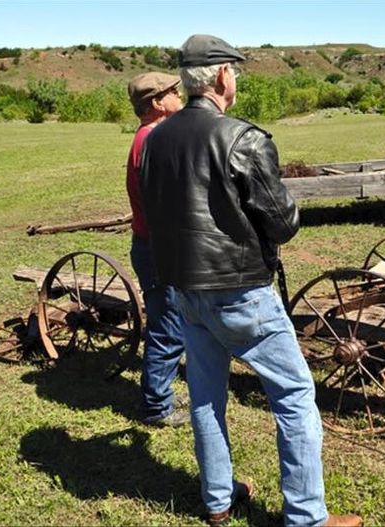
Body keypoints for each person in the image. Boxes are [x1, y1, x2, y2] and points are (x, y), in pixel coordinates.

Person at [139, 34, 362, 527]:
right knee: (296, 396)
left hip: (185, 291)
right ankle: (306, 516)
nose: (235, 79)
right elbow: (282, 223)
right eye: (234, 71)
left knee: (204, 397)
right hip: (240, 291)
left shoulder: (154, 140)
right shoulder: (245, 138)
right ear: (221, 76)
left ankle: (218, 499)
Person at [125, 72, 189, 427]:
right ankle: (156, 407)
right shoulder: (151, 142)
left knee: (171, 321)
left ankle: (160, 394)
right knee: (167, 326)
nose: (178, 96)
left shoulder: (150, 138)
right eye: (172, 92)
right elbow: (163, 206)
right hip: (158, 248)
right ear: (155, 103)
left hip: (154, 244)